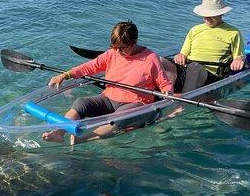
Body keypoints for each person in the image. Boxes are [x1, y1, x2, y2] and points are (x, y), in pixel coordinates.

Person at [42, 21, 173, 144]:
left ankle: (83, 139)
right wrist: (66, 75)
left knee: (119, 117)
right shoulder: (112, 53)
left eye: (122, 48)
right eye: (115, 47)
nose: (118, 51)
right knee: (81, 103)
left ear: (134, 42)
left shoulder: (151, 59)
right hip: (109, 97)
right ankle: (58, 133)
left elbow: (164, 83)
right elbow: (90, 67)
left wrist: (168, 91)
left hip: (137, 102)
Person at [162, 0, 245, 93]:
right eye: (205, 15)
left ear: (222, 13)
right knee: (159, 60)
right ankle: (163, 93)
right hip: (187, 71)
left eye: (212, 15)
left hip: (210, 77)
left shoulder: (233, 32)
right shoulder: (195, 30)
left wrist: (238, 60)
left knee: (194, 67)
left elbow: (238, 57)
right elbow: (183, 54)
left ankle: (182, 106)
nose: (207, 19)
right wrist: (180, 56)